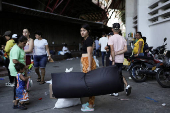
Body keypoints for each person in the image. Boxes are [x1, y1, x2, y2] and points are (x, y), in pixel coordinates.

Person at [108, 23, 132, 96]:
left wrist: (113, 60)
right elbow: (125, 49)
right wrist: (118, 53)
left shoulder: (111, 38)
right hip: (121, 60)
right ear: (119, 30)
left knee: (113, 76)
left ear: (112, 29)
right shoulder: (123, 38)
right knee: (119, 74)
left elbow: (112, 50)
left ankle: (115, 91)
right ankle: (127, 85)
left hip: (114, 60)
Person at [8, 35, 28, 109]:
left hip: (20, 69)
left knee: (18, 86)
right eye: (24, 43)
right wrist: (24, 67)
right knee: (19, 87)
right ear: (19, 42)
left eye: (26, 43)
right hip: (16, 69)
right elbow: (15, 61)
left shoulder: (20, 48)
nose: (25, 45)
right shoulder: (16, 49)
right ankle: (20, 103)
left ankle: (16, 103)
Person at [80, 24, 96, 112]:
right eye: (81, 30)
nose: (82, 32)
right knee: (88, 83)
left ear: (88, 32)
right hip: (85, 62)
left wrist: (89, 66)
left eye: (84, 30)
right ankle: (91, 102)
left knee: (90, 84)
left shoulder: (89, 39)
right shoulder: (86, 40)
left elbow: (90, 54)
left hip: (88, 62)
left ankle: (91, 105)